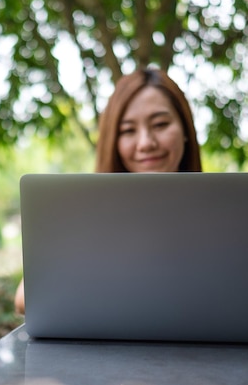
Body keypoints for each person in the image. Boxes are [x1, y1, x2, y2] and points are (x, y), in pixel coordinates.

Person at [13, 67, 202, 314]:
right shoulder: (89, 214)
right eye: (128, 131)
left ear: (186, 131)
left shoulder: (218, 213)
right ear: (113, 142)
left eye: (160, 124)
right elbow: (25, 297)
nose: (146, 143)